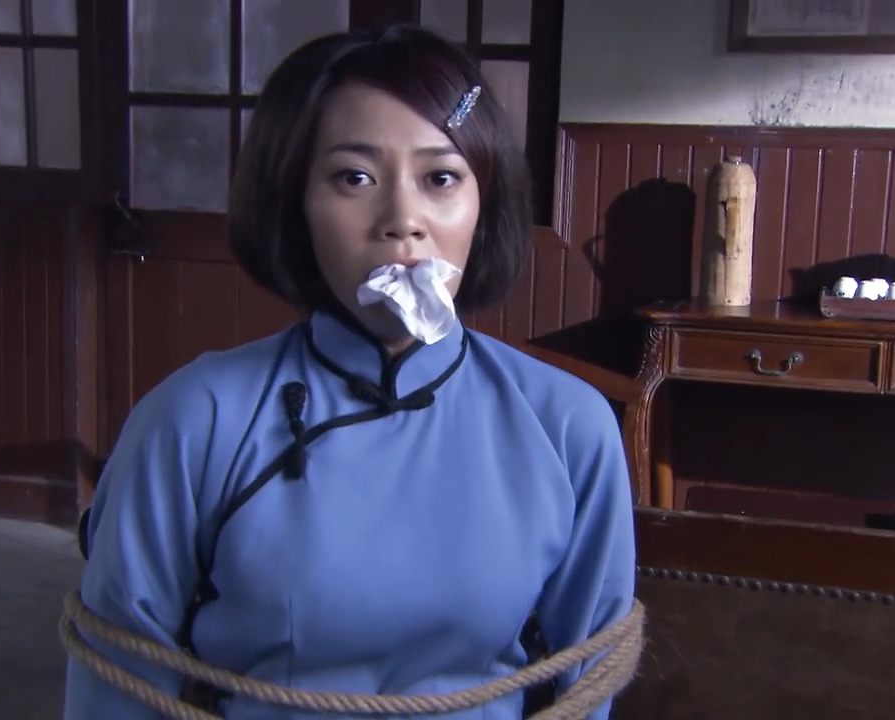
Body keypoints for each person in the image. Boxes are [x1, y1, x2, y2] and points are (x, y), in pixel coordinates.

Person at [64, 23, 637, 720]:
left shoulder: (568, 426)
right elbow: (115, 685)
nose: (403, 220)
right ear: (295, 204)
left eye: (441, 178)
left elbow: (590, 685)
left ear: (483, 206)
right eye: (354, 178)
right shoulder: (194, 420)